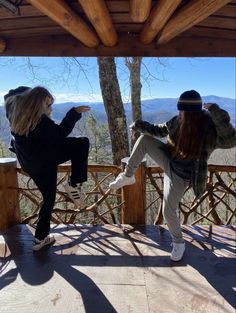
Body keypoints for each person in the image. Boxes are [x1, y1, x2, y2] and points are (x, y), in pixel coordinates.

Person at [109, 90, 236, 261]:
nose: (179, 113)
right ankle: (128, 175)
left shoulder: (208, 131)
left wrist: (216, 111)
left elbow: (230, 140)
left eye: (182, 110)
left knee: (168, 211)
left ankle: (178, 243)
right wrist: (137, 125)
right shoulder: (178, 121)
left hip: (181, 176)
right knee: (144, 140)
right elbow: (159, 130)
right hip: (168, 159)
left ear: (192, 114)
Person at [4, 86, 90, 251]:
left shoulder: (16, 117)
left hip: (30, 164)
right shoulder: (39, 121)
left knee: (48, 199)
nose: (50, 109)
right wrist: (74, 112)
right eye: (48, 105)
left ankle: (40, 239)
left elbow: (12, 97)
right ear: (37, 104)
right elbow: (61, 133)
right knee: (81, 143)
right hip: (44, 161)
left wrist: (19, 93)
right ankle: (74, 183)